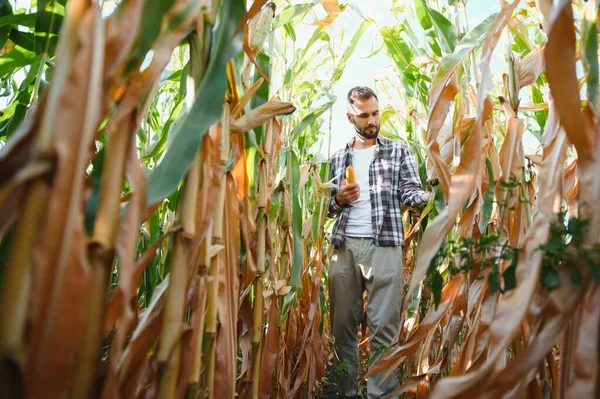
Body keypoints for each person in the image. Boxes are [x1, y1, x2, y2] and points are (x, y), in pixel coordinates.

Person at [327, 86, 430, 398]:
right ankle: (345, 393)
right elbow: (327, 209)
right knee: (342, 326)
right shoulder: (338, 158)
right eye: (363, 115)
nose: (372, 120)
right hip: (344, 248)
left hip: (385, 246)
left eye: (375, 113)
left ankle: (380, 395)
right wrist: (338, 199)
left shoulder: (398, 151)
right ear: (350, 116)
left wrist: (430, 195)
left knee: (383, 329)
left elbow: (411, 192)